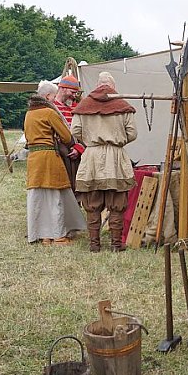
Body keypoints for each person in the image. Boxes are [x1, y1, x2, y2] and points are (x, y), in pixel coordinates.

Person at [71, 71, 137, 253]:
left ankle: (95, 245)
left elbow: (75, 130)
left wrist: (90, 141)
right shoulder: (123, 105)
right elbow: (132, 133)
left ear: (97, 85)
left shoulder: (84, 105)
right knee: (117, 203)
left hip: (91, 156)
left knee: (92, 204)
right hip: (115, 157)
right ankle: (116, 245)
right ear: (113, 87)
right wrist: (117, 139)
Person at [23, 92, 86, 245]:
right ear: (47, 97)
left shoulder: (28, 114)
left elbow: (27, 136)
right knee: (55, 197)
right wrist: (73, 144)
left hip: (33, 158)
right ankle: (58, 236)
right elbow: (66, 136)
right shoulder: (49, 112)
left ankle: (44, 236)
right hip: (49, 157)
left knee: (39, 197)